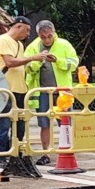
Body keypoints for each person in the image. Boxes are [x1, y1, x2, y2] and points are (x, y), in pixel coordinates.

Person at [0, 16, 45, 168]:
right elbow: (9, 62)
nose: (28, 34)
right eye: (27, 30)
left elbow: (20, 64)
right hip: (6, 89)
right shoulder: (4, 40)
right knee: (3, 123)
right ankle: (1, 155)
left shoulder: (19, 45)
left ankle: (16, 152)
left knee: (20, 124)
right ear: (18, 26)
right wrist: (32, 58)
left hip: (20, 88)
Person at [24, 20, 79, 165]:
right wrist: (39, 60)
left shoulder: (64, 44)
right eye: (43, 37)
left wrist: (57, 61)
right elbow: (27, 68)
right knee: (44, 123)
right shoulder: (33, 47)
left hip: (62, 91)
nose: (47, 39)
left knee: (65, 122)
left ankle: (67, 149)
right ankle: (45, 152)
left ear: (54, 33)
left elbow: (74, 64)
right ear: (38, 35)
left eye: (49, 36)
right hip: (42, 91)